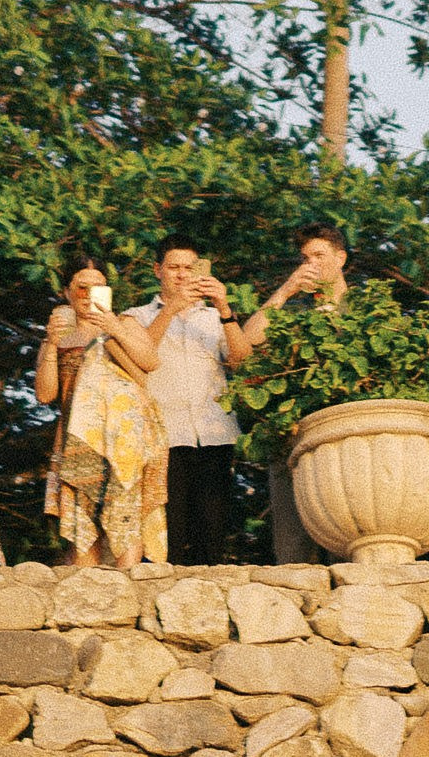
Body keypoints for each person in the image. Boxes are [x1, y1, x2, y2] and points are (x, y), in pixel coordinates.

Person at [128, 239, 252, 566]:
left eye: (189, 268)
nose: (182, 275)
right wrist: (170, 310)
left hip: (214, 432)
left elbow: (240, 361)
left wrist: (225, 308)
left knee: (211, 532)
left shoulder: (213, 318)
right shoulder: (135, 316)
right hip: (162, 435)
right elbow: (141, 355)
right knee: (168, 532)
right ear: (157, 271)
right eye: (174, 268)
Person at [36, 259, 166, 568]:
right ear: (67, 292)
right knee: (83, 530)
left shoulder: (125, 322)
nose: (89, 293)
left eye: (98, 286)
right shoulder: (58, 336)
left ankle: (127, 599)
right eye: (82, 286)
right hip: (76, 441)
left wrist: (114, 330)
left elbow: (149, 362)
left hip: (124, 441)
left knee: (126, 525)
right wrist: (52, 344)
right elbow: (45, 394)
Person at [241, 223, 354, 562]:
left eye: (319, 255)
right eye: (305, 258)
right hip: (294, 435)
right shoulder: (294, 311)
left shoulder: (365, 306)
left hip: (345, 436)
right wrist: (285, 291)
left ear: (341, 258)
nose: (311, 264)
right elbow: (249, 339)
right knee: (294, 550)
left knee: (347, 543)